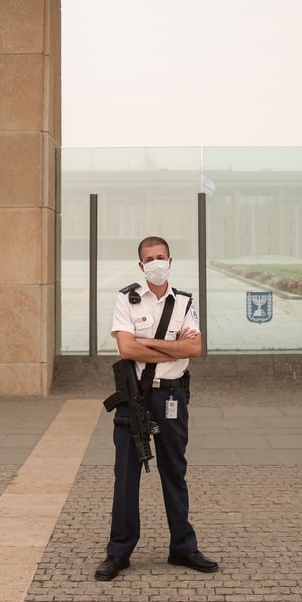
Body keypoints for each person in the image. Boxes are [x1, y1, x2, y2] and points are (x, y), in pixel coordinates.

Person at [95, 236, 219, 581]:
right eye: (148, 258)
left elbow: (195, 351)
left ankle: (183, 547)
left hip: (172, 398)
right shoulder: (127, 298)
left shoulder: (183, 302)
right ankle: (118, 552)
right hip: (135, 397)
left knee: (174, 472)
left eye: (160, 257)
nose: (155, 262)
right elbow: (126, 350)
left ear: (170, 260)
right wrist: (171, 347)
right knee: (126, 477)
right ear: (140, 265)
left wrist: (145, 341)